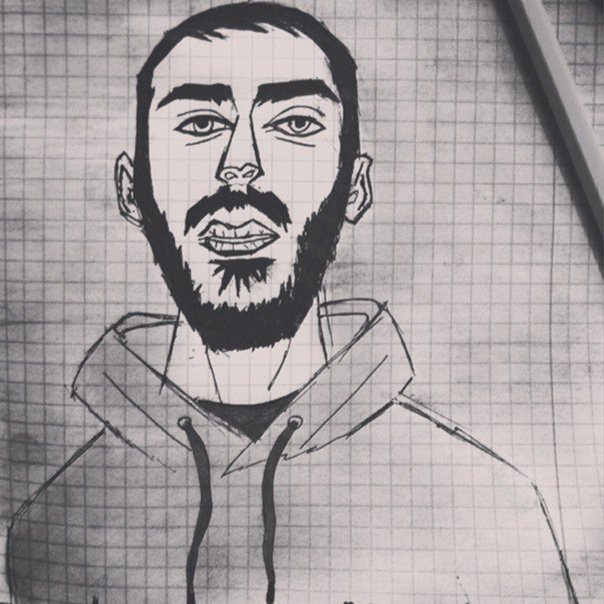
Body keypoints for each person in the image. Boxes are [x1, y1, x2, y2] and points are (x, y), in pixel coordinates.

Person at [6, 3, 577, 603]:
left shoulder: (491, 512)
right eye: (199, 123)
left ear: (354, 187)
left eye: (296, 123)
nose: (239, 166)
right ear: (132, 190)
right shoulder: (49, 531)